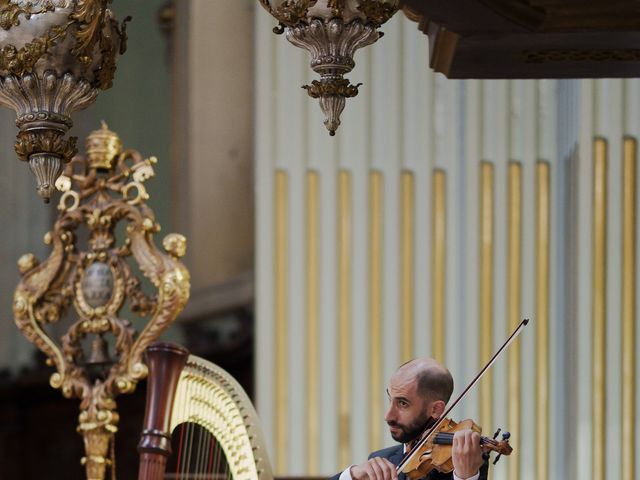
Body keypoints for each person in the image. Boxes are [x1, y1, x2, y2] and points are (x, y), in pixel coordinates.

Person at [331, 358, 488, 480]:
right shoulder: (382, 459)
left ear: (435, 409)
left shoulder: (466, 461)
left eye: (402, 403)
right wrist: (353, 475)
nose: (388, 416)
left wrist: (465, 476)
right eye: (390, 399)